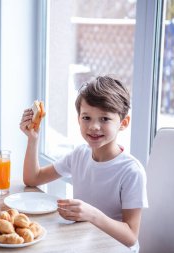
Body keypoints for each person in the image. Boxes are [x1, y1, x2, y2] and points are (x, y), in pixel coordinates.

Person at [19, 76, 148, 250]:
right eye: (87, 118)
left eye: (104, 119)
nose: (94, 126)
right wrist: (33, 139)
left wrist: (91, 214)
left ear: (123, 123)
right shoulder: (80, 154)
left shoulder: (131, 171)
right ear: (78, 119)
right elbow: (32, 179)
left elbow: (131, 237)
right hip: (84, 242)